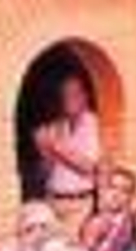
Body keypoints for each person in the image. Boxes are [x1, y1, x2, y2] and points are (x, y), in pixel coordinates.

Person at [34, 75, 101, 227]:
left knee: (71, 248)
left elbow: (88, 167)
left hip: (79, 203)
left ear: (86, 96)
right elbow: (43, 174)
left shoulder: (94, 124)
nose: (68, 99)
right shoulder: (58, 124)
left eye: (74, 93)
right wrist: (44, 150)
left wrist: (55, 146)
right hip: (52, 200)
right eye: (64, 94)